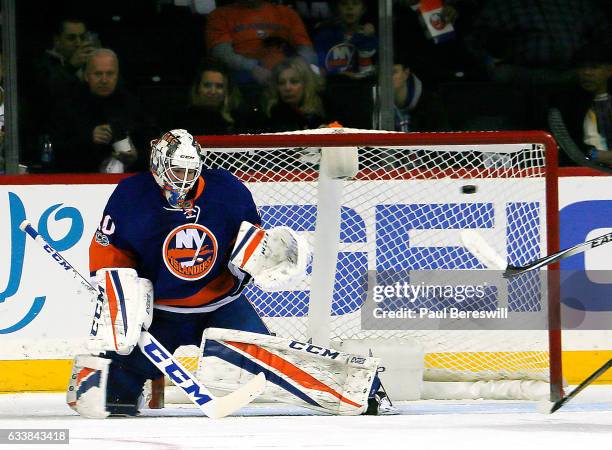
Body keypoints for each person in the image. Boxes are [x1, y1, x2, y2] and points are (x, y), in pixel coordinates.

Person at [68, 129, 392, 418]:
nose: (183, 181)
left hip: (223, 308)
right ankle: (125, 388)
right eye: (176, 171)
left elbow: (250, 246)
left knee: (277, 364)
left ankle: (362, 387)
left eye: (190, 172)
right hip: (159, 315)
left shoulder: (228, 191)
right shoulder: (129, 196)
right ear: (157, 167)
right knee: (102, 399)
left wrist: (268, 256)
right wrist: (117, 288)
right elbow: (108, 248)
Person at [48, 48, 157, 173]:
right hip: (80, 181)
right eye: (98, 74)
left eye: (110, 74)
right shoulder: (68, 105)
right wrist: (88, 139)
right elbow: (55, 150)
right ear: (86, 76)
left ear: (117, 75)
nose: (104, 80)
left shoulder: (133, 105)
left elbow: (154, 147)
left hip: (128, 182)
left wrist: (136, 156)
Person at [205, 0, 317, 88]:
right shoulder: (219, 15)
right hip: (244, 77)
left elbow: (306, 50)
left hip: (287, 74)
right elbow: (222, 53)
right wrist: (253, 68)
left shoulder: (288, 14)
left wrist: (298, 70)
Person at [174, 61, 254, 135]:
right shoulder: (182, 120)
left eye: (219, 86)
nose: (213, 91)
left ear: (227, 90)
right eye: (207, 85)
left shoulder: (239, 120)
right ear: (197, 88)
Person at [312, 0, 377, 80]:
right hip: (330, 86)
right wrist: (339, 74)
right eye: (344, 3)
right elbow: (318, 68)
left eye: (355, 3)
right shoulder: (325, 35)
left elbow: (368, 70)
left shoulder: (367, 37)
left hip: (360, 87)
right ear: (337, 9)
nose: (350, 7)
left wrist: (367, 38)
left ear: (363, 9)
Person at [262, 57, 327, 131]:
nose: (287, 88)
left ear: (307, 84)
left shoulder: (325, 107)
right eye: (281, 83)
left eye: (294, 81)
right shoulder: (272, 114)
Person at [392, 56, 449, 132]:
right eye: (382, 72)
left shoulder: (431, 104)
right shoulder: (376, 103)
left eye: (393, 72)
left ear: (406, 73)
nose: (386, 77)